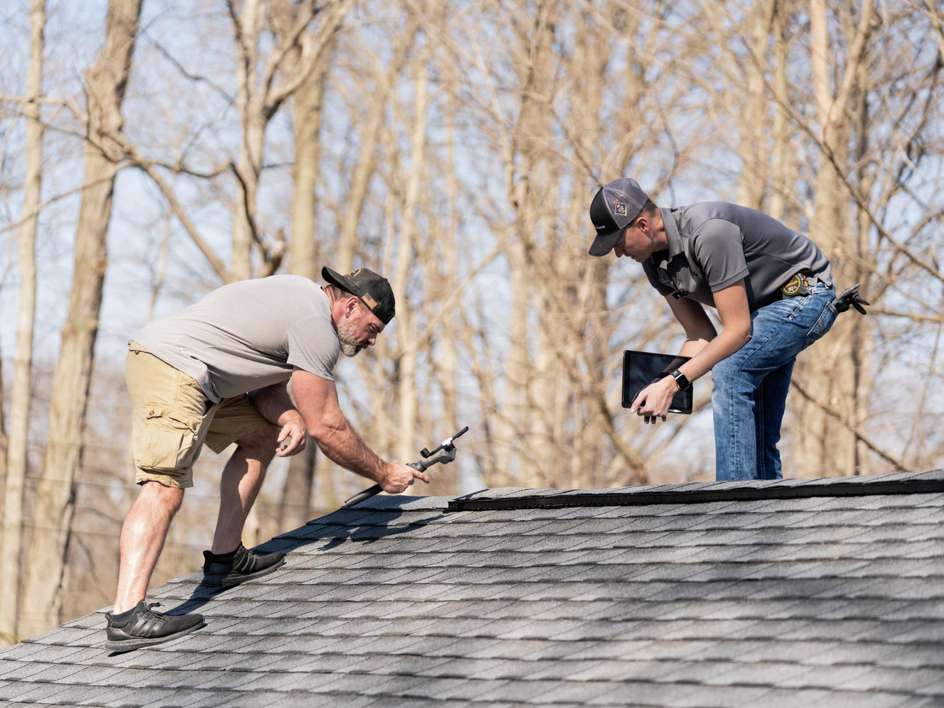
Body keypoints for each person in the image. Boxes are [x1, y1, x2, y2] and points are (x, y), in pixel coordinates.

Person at [104, 267, 429, 652]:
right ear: (351, 306)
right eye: (373, 329)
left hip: (196, 371)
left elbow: (263, 389)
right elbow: (326, 425)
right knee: (163, 487)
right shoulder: (315, 326)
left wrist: (289, 416)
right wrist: (384, 473)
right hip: (175, 367)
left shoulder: (298, 299)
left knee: (262, 436)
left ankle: (225, 560)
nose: (372, 341)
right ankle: (127, 616)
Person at [589, 177, 854, 482]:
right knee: (758, 432)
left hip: (806, 296)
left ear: (643, 225)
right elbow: (700, 335)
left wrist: (674, 383)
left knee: (730, 370)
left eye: (619, 243)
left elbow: (738, 330)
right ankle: (764, 520)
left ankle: (730, 504)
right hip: (761, 314)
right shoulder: (653, 265)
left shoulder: (708, 232)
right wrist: (661, 382)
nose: (618, 254)